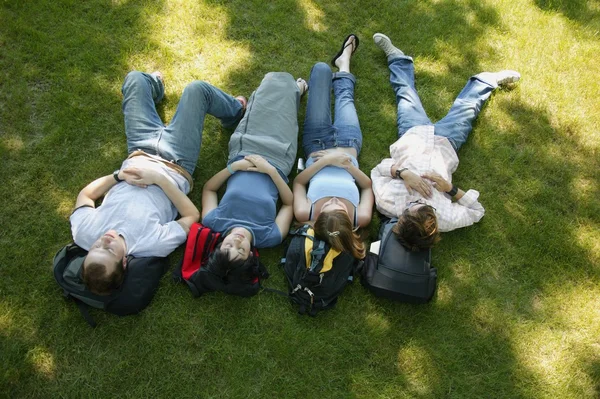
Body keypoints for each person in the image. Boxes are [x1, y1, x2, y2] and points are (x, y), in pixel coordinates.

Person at [71, 71, 247, 295]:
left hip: (139, 148)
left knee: (135, 78)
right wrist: (160, 180)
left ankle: (155, 86)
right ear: (124, 262)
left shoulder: (84, 233)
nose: (104, 240)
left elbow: (85, 197)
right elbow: (191, 217)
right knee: (197, 90)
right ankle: (235, 112)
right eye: (109, 250)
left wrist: (118, 176)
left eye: (96, 247)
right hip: (177, 160)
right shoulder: (152, 244)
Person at [370, 33, 521, 251]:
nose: (418, 201)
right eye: (422, 206)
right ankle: (487, 80)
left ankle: (397, 58)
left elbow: (377, 171)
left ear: (401, 217)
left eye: (412, 206)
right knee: (468, 107)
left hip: (411, 136)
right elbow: (476, 212)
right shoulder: (444, 219)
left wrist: (402, 173)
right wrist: (450, 189)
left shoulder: (387, 203)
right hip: (446, 143)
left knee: (405, 94)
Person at [201, 72, 308, 269]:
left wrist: (234, 167)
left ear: (219, 245)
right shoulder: (269, 236)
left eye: (228, 247)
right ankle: (294, 92)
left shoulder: (214, 221)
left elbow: (209, 189)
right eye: (240, 250)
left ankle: (292, 92)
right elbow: (288, 204)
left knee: (272, 80)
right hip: (278, 158)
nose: (237, 241)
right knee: (285, 101)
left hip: (245, 150)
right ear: (250, 254)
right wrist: (270, 171)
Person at [293, 34, 374, 260]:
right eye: (340, 208)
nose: (334, 200)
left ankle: (300, 90)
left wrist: (328, 160)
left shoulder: (304, 211)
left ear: (317, 220)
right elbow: (367, 187)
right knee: (345, 98)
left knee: (320, 70)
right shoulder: (361, 217)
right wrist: (345, 164)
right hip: (348, 143)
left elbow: (299, 182)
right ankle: (344, 61)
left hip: (316, 142)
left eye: (328, 205)